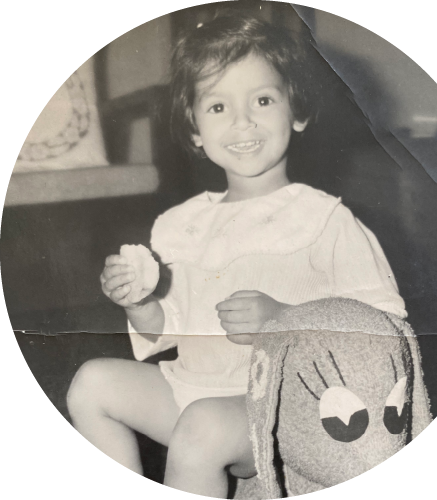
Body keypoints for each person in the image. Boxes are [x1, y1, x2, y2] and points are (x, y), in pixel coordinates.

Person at [67, 11, 407, 499]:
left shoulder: (325, 219)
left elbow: (386, 331)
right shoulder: (178, 224)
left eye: (263, 100)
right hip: (190, 389)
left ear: (297, 111)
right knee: (90, 384)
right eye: (218, 106)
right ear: (195, 129)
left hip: (282, 407)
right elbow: (165, 328)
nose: (242, 121)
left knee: (202, 427)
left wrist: (285, 319)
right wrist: (138, 301)